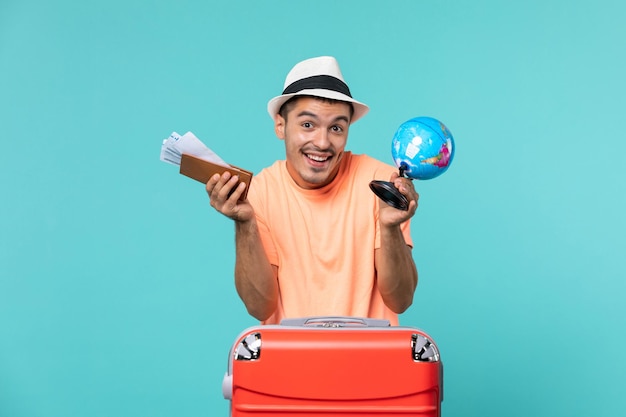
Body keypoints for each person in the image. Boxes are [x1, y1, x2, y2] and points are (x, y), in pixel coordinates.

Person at [206, 56, 419, 325]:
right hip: (290, 361)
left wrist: (390, 229)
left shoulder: (380, 183)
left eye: (336, 128)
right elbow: (260, 307)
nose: (322, 142)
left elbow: (401, 300)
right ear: (280, 126)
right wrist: (245, 223)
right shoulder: (260, 192)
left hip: (368, 359)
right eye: (308, 125)